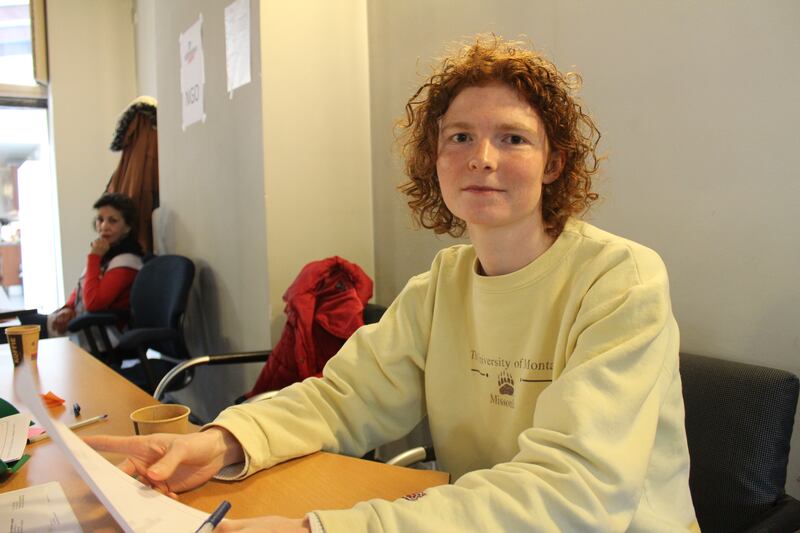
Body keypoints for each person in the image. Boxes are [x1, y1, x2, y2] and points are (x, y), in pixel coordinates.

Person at [86, 36, 698, 532]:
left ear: (554, 162)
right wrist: (222, 441)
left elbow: (575, 494)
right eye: (459, 136)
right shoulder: (442, 285)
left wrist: (317, 529)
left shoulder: (621, 280)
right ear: (434, 159)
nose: (481, 157)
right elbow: (342, 398)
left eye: (512, 137)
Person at [24, 192, 144, 350]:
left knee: (17, 329)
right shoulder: (107, 254)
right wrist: (67, 308)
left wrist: (94, 257)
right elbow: (81, 288)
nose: (104, 226)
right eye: (100, 220)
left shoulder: (126, 261)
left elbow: (94, 303)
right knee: (20, 321)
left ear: (127, 227)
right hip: (78, 324)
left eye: (112, 221)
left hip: (99, 334)